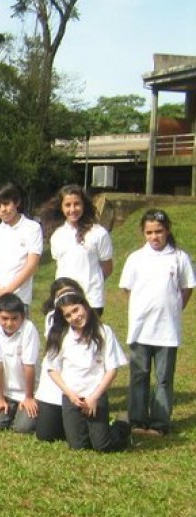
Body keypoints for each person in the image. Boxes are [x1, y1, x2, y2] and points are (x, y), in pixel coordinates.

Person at [119, 209, 195, 436]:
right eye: (149, 232)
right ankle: (137, 420)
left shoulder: (179, 258)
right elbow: (126, 288)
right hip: (141, 330)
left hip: (167, 331)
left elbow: (187, 287)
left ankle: (159, 423)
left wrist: (174, 308)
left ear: (167, 230)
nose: (154, 237)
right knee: (139, 376)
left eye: (158, 231)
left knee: (163, 379)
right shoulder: (136, 258)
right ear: (143, 233)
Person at [44, 291, 129, 452]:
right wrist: (69, 394)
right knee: (78, 447)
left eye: (76, 310)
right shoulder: (61, 335)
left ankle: (121, 425)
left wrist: (94, 397)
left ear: (85, 306)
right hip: (72, 398)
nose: (74, 317)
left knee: (102, 446)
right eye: (68, 315)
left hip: (95, 395)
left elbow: (112, 369)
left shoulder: (103, 331)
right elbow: (51, 368)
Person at [0, 183, 42, 350]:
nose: (3, 210)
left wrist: (9, 290)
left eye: (6, 204)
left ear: (17, 202)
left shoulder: (32, 228)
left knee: (17, 344)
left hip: (18, 297)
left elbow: (31, 264)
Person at [40, 184, 112, 315]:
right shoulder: (57, 235)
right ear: (61, 207)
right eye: (68, 205)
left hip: (91, 300)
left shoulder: (98, 233)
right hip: (64, 298)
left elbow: (107, 268)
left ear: (84, 205)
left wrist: (93, 282)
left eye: (77, 204)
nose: (72, 209)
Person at [33, 278, 86, 443]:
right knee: (46, 435)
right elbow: (51, 363)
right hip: (54, 387)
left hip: (80, 387)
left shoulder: (90, 323)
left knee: (79, 437)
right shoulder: (53, 320)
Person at [0, 294, 39, 433]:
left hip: (28, 391)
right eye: (4, 318)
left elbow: (29, 365)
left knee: (23, 428)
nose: (9, 323)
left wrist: (29, 397)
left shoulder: (29, 329)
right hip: (7, 393)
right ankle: (11, 409)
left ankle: (28, 411)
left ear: (23, 316)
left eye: (15, 318)